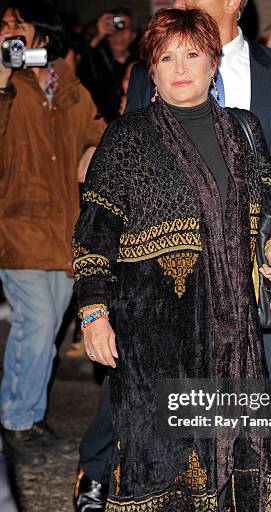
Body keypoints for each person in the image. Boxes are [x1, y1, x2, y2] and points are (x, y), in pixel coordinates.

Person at [74, 0, 271, 512]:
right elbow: (126, 175)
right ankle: (180, 500)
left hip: (260, 265)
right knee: (172, 392)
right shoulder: (150, 71)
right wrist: (100, 301)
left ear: (234, 3)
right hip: (171, 280)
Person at [0, 0, 104, 466]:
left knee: (48, 327)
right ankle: (16, 422)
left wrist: (93, 149)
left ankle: (31, 417)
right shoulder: (6, 81)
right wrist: (1, 79)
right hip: (16, 222)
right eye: (3, 26)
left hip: (66, 227)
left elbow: (97, 129)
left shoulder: (67, 79)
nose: (9, 32)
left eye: (16, 24)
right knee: (37, 322)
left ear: (42, 30)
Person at [77, 6, 137, 122]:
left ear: (133, 35)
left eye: (125, 29)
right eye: (114, 29)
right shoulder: (97, 61)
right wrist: (98, 35)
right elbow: (81, 74)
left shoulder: (141, 64)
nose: (119, 35)